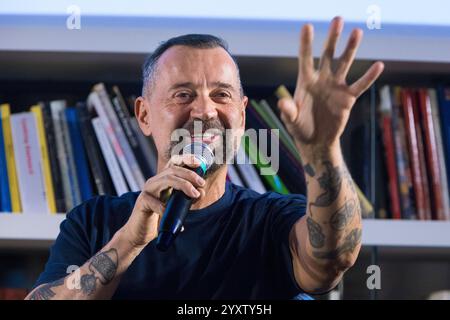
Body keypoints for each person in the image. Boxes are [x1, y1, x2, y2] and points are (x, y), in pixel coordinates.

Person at [26, 16, 384, 300]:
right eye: (183, 94)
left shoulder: (273, 220)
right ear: (145, 115)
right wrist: (128, 243)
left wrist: (324, 151)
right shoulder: (93, 223)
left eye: (221, 94)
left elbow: (333, 260)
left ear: (242, 117)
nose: (205, 110)